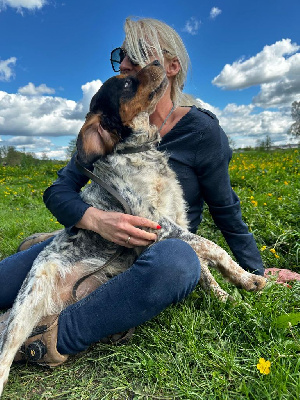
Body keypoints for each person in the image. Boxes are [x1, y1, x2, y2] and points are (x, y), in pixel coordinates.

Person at [0, 17, 264, 364]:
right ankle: (46, 245)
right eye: (120, 56)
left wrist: (255, 270)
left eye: (136, 55)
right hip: (92, 243)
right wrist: (94, 219)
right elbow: (58, 190)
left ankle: (56, 337)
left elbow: (226, 209)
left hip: (157, 249)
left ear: (169, 67)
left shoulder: (201, 131)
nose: (124, 63)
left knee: (176, 262)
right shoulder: (112, 123)